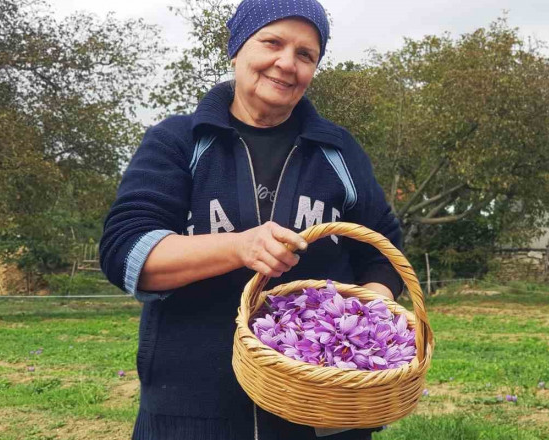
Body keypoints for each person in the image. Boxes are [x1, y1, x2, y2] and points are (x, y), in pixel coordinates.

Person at [99, 1, 403, 438]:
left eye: (306, 54)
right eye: (273, 42)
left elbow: (382, 247)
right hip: (193, 410)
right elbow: (124, 251)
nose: (287, 63)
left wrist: (367, 314)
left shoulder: (338, 151)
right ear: (237, 47)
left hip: (321, 413)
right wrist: (240, 247)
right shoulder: (178, 141)